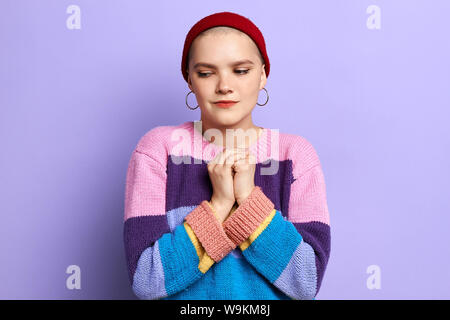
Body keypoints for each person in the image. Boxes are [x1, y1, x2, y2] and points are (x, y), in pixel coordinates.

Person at [123, 11, 331, 300]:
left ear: (263, 75)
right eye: (206, 73)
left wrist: (247, 200)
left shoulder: (295, 156)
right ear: (189, 80)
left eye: (241, 70)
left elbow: (305, 281)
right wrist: (219, 205)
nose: (224, 86)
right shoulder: (158, 150)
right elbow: (147, 280)